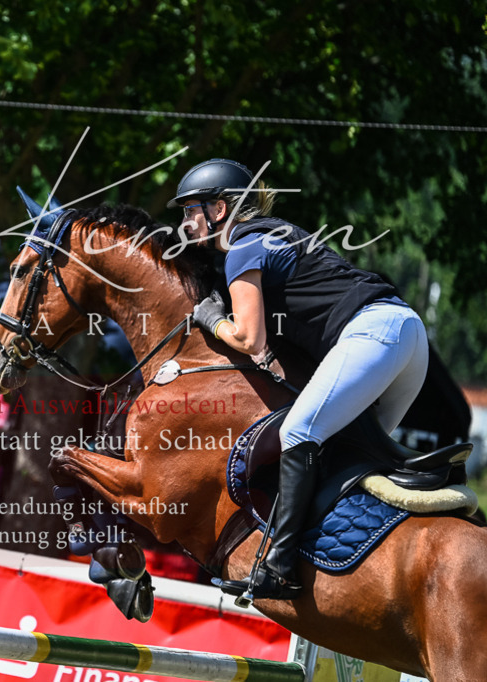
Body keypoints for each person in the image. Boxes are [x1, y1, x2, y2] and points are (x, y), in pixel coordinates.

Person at [171, 158, 428, 599]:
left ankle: (282, 566)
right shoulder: (277, 233)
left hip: (375, 335)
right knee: (340, 454)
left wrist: (213, 319)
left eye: (190, 210)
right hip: (408, 336)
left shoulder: (243, 247)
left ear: (218, 209)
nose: (184, 224)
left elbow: (250, 339)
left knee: (299, 432)